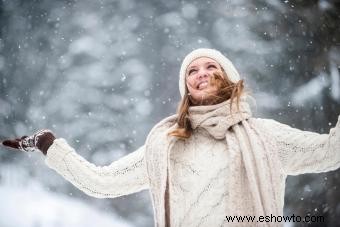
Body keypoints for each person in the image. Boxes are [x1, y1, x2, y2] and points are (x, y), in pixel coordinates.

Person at [2, 48, 340, 227]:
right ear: (186, 87)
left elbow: (331, 151)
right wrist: (48, 143)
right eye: (192, 70)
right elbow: (102, 182)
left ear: (230, 80)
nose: (200, 74)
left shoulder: (266, 137)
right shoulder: (167, 145)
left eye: (211, 67)